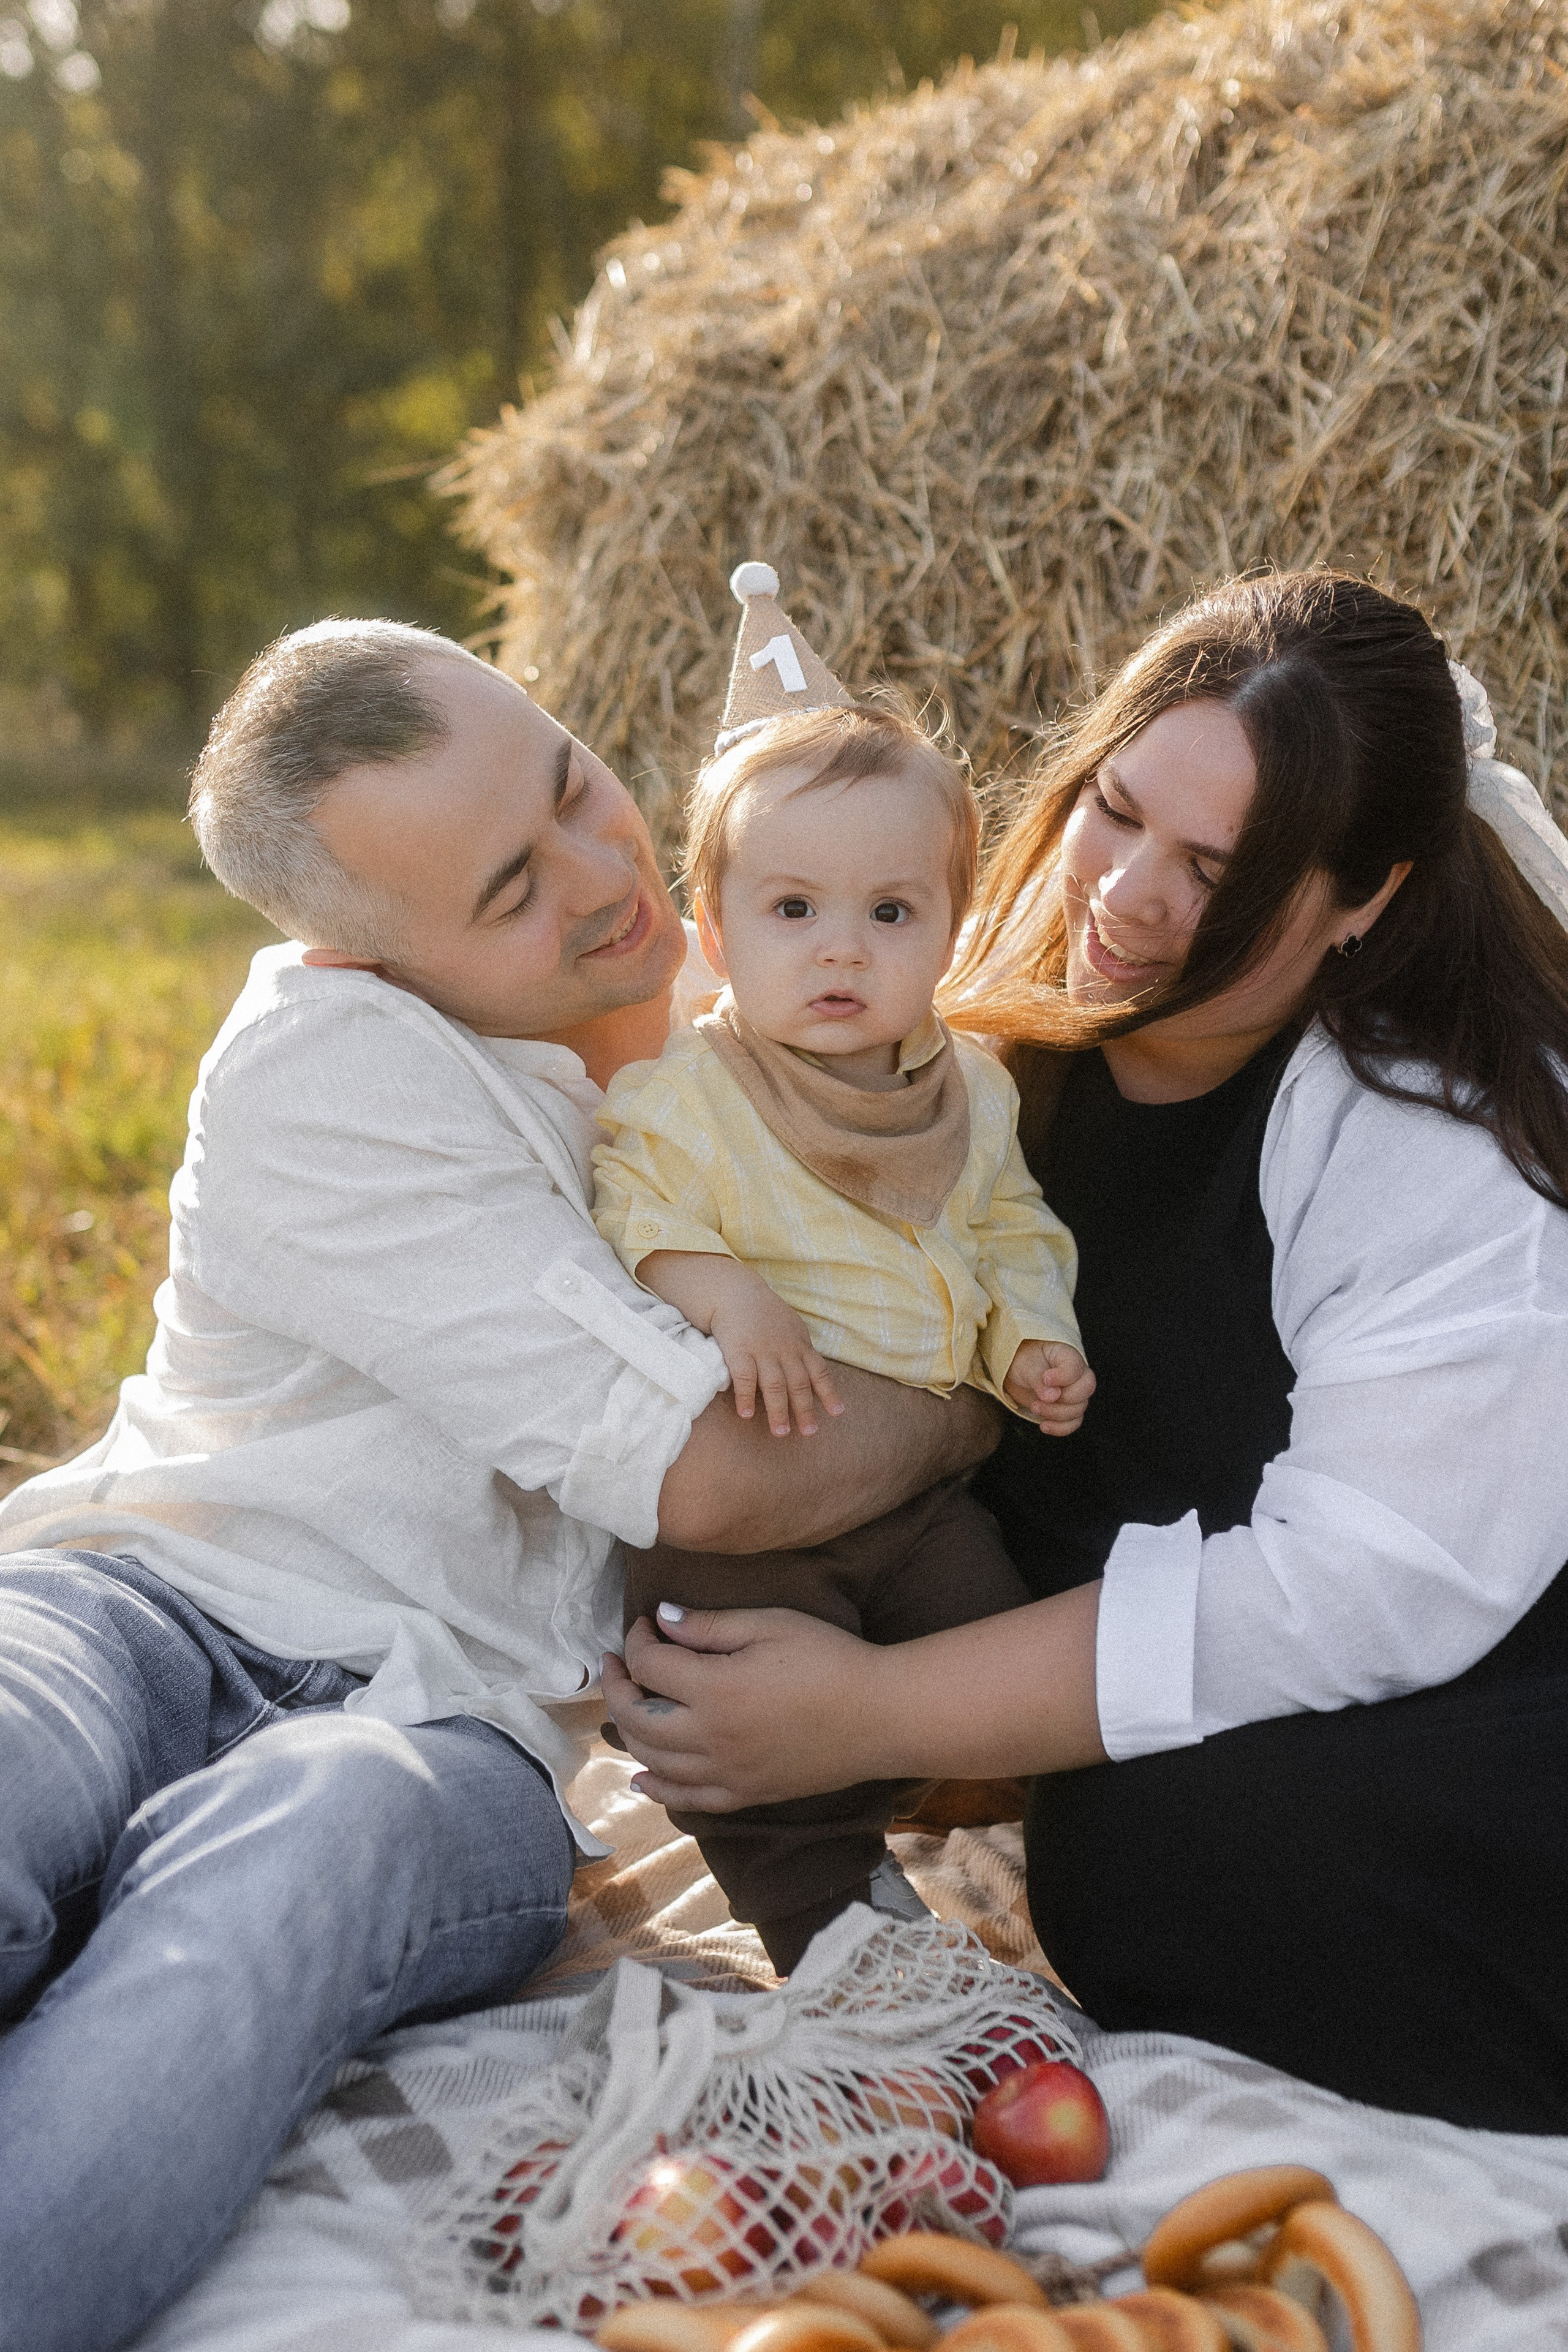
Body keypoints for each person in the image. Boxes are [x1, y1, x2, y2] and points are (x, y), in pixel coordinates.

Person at [0, 620, 1000, 2352]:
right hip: (142, 1597)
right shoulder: (335, 1069)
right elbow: (714, 1478)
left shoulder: (758, 1012)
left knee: (303, 1853)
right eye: (507, 892)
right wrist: (966, 1408)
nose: (607, 877)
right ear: (365, 957)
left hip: (449, 1735)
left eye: (578, 789)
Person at [603, 570, 1568, 2133]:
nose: (1122, 895)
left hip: (1491, 1676)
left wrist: (873, 1711)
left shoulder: (1422, 1123)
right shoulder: (980, 1026)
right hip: (1190, 1663)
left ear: (1363, 896)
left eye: (1216, 870)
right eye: (1113, 810)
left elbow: (1362, 1589)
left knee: (1159, 1855)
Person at [594, 567, 1090, 1972]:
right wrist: (720, 1290)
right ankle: (823, 1917)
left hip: (921, 1489)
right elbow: (627, 1200)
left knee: (994, 1650)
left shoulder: (970, 1092)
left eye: (889, 915)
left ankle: (998, 1833)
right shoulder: (695, 1096)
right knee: (735, 1697)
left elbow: (1009, 1233)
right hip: (750, 1498)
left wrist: (1026, 1342)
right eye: (792, 909)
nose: (838, 952)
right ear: (713, 934)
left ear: (951, 928)